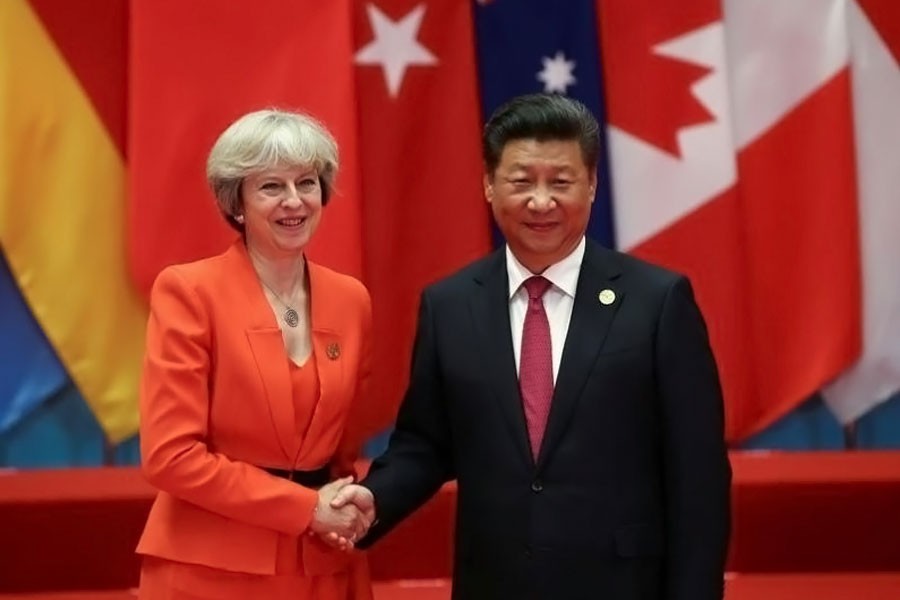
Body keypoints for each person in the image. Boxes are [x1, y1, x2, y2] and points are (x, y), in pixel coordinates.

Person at [332, 93, 731, 600]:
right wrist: (372, 499)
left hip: (623, 584)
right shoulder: (450, 305)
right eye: (521, 182)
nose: (541, 202)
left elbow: (698, 475)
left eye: (560, 182)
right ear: (488, 184)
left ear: (592, 185)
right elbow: (426, 444)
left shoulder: (657, 301)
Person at [136, 109, 373, 600]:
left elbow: (343, 454)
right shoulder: (189, 291)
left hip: (322, 565)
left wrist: (347, 505)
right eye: (270, 187)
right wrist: (305, 508)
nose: (294, 201)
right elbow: (171, 457)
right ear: (237, 203)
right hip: (210, 570)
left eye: (306, 182)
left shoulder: (351, 299)